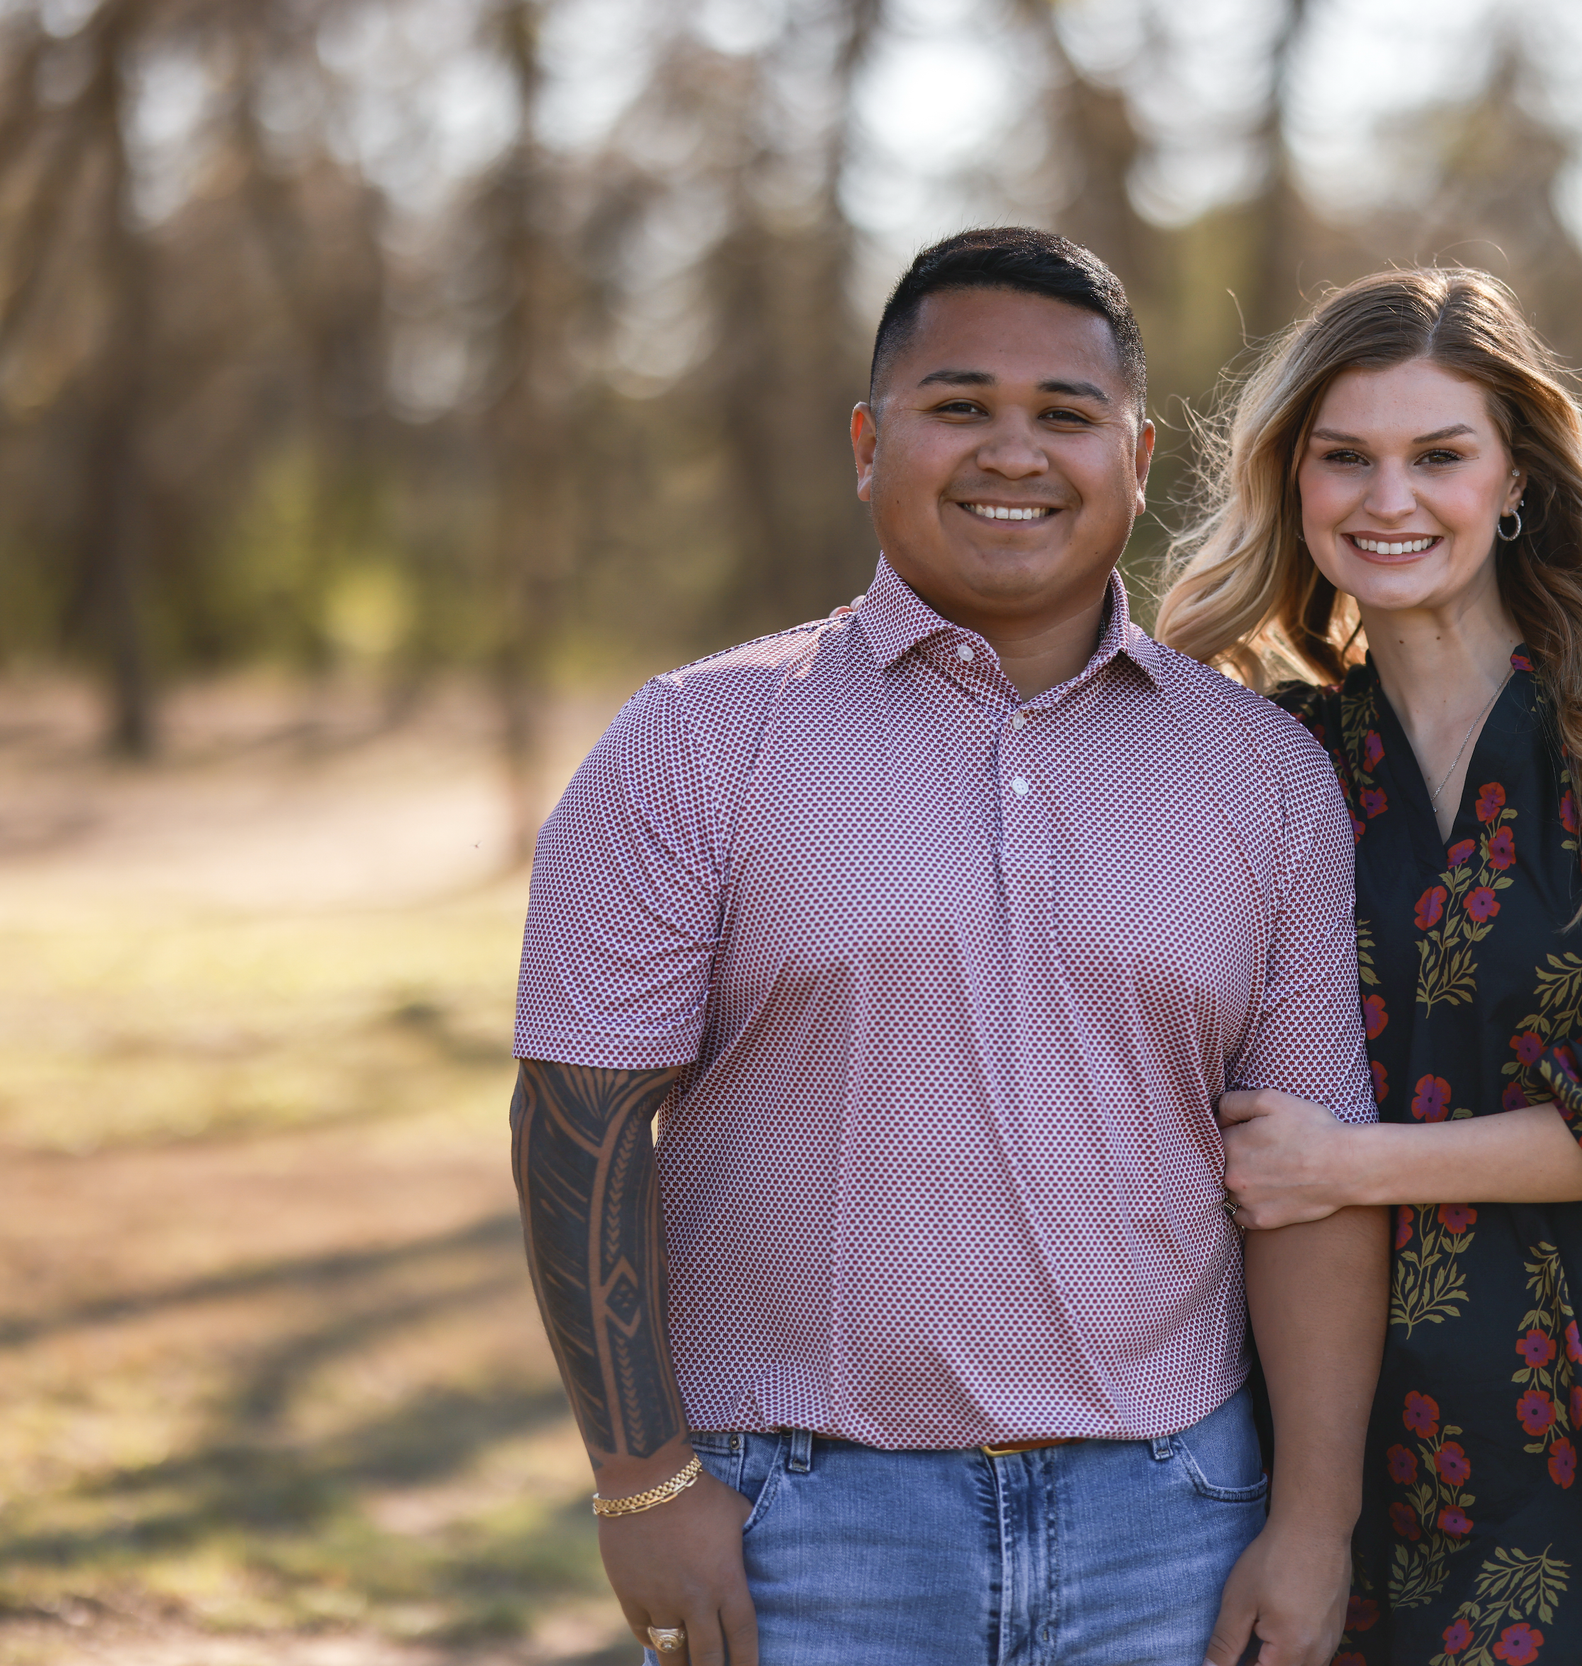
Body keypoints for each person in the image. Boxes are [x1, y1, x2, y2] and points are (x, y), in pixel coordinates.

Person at [509, 227, 1388, 1666]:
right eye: (960, 406)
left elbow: (1310, 1182)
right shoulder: (697, 741)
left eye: (1064, 415)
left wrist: (1312, 1524)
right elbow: (578, 1119)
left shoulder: (1266, 775)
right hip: (799, 1518)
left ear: (1138, 453)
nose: (1013, 453)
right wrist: (638, 1476)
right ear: (870, 440)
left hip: (1174, 1514)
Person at [1154, 267, 1582, 1666]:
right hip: (1309, 1450)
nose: (1388, 497)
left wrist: (1357, 1163)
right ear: (1294, 482)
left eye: (1438, 455)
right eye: (1344, 456)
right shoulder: (1271, 760)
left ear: (1516, 474)